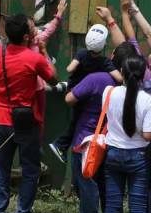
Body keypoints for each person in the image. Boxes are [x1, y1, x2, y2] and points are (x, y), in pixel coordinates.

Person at [0, 14, 57, 213]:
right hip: (26, 119)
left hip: (0, 119)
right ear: (26, 36)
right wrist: (43, 51)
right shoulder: (33, 58)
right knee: (30, 170)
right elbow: (53, 77)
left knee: (0, 168)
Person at [65, 41, 136, 213]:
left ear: (112, 57)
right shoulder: (129, 84)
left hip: (87, 140)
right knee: (110, 186)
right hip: (113, 139)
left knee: (87, 184)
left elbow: (69, 99)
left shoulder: (96, 78)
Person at [100, 55, 151, 213]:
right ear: (144, 74)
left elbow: (107, 120)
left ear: (123, 73)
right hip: (138, 157)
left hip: (113, 154)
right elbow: (147, 136)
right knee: (137, 210)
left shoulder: (109, 93)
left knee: (112, 207)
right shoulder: (147, 100)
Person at [49, 23, 122, 164]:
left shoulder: (81, 53)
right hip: (88, 95)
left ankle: (63, 146)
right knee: (78, 122)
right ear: (104, 44)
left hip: (76, 90)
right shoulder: (104, 62)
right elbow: (119, 78)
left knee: (75, 121)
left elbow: (70, 69)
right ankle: (60, 145)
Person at [29, 0, 68, 128]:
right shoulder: (37, 41)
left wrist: (59, 14)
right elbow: (49, 29)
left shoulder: (35, 40)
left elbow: (50, 29)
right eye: (32, 27)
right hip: (36, 87)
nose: (36, 29)